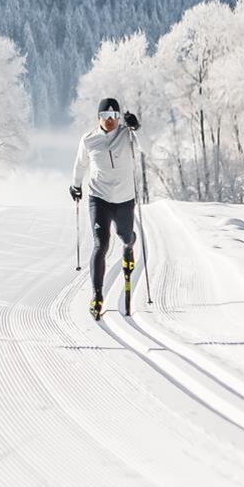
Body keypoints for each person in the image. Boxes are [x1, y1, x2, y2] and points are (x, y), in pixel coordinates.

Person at [70, 97, 143, 320]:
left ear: (118, 117)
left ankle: (129, 245)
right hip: (98, 197)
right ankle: (97, 295)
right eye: (104, 116)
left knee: (124, 236)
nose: (109, 120)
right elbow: (80, 163)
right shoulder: (89, 139)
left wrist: (137, 127)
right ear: (98, 118)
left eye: (113, 116)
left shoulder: (127, 135)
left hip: (124, 199)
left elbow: (145, 148)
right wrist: (75, 185)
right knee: (100, 243)